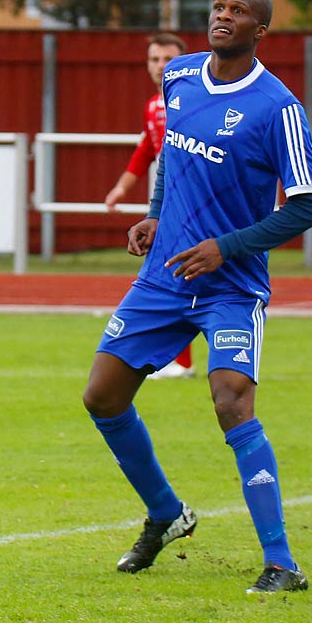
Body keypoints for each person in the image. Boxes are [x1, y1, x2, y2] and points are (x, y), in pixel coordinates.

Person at [81, 0, 312, 596]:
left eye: (239, 12)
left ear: (260, 30)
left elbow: (307, 206)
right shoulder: (181, 76)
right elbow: (169, 156)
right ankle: (166, 514)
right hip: (165, 275)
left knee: (231, 402)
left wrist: (228, 245)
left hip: (231, 285)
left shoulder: (279, 108)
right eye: (219, 7)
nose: (224, 17)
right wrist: (156, 213)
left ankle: (280, 563)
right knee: (102, 396)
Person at [102, 31, 197, 380]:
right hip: (166, 198)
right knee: (172, 272)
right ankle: (175, 358)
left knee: (176, 273)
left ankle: (181, 361)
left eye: (168, 59)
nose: (161, 67)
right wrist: (120, 189)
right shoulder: (154, 105)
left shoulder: (190, 102)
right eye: (155, 60)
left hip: (189, 200)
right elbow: (146, 151)